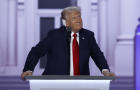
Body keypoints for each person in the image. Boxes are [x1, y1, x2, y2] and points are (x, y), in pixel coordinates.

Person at [21, 6, 115, 80]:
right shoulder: (54, 35)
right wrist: (29, 69)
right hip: (54, 82)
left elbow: (98, 55)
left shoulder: (88, 36)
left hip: (80, 84)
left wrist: (105, 71)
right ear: (66, 22)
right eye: (74, 18)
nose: (78, 20)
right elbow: (36, 51)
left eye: (79, 17)